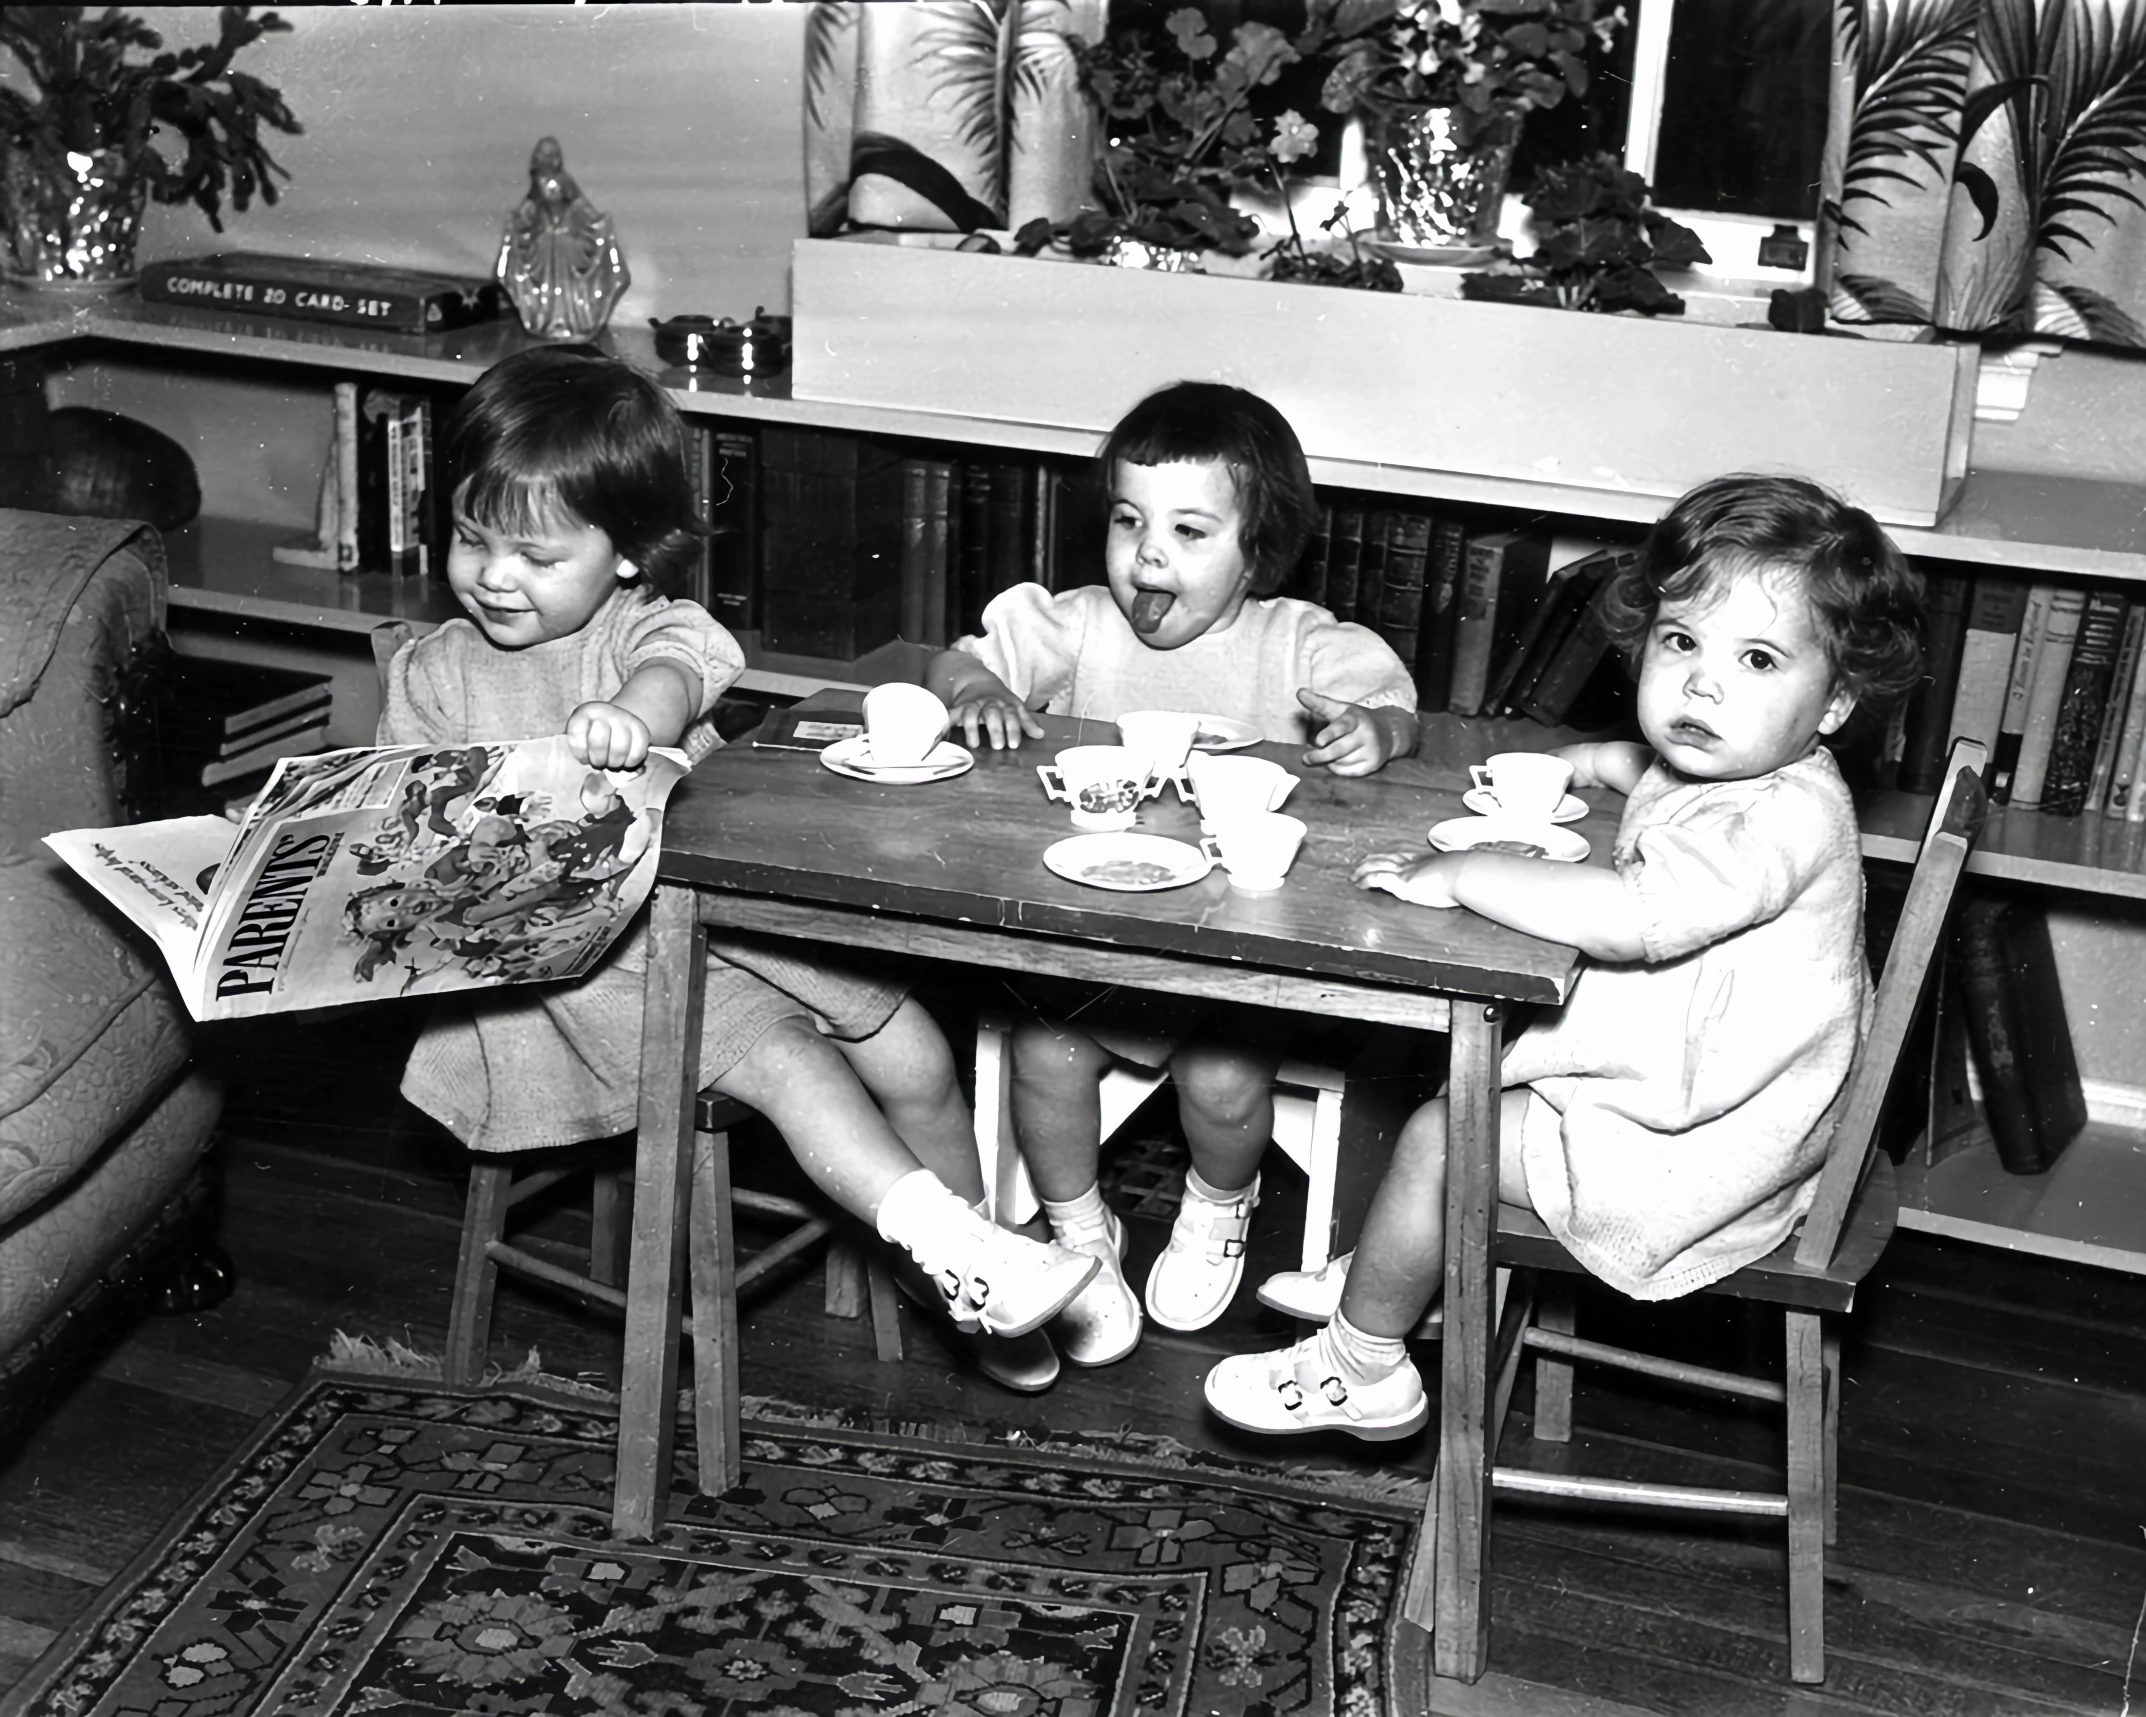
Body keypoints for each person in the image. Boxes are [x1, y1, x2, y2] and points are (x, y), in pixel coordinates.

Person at [379, 345, 1094, 1391]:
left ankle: (968, 1270)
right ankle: (965, 1251)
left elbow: (684, 666)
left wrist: (637, 717)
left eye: (534, 556)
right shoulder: (435, 674)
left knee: (915, 1051)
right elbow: (400, 832)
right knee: (793, 1063)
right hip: (581, 976)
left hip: (725, 916)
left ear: (625, 553)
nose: (494, 576)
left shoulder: (642, 633)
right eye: (472, 540)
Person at [1204, 473, 1924, 1438]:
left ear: (1835, 702)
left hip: (1700, 1160)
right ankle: (1401, 1264)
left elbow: (1634, 916)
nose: (1703, 683)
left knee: (1437, 1130)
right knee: (1468, 1072)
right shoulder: (1760, 771)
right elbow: (1663, 777)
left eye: (1757, 658)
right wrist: (1594, 761)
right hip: (1735, 1112)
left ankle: (1362, 1362)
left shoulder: (1782, 820)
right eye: (1681, 642)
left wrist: (1467, 871)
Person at [922, 381, 1421, 1372]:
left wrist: (1376, 731)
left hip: (1242, 962)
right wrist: (976, 688)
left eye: (1191, 531)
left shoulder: (1294, 643)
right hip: (1098, 942)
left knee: (1223, 1078)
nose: (1147, 555)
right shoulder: (1078, 623)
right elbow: (958, 663)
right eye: (1127, 520)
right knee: (1044, 1056)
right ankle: (1078, 1234)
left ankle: (1218, 1201)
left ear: (1259, 550)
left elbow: (1393, 708)